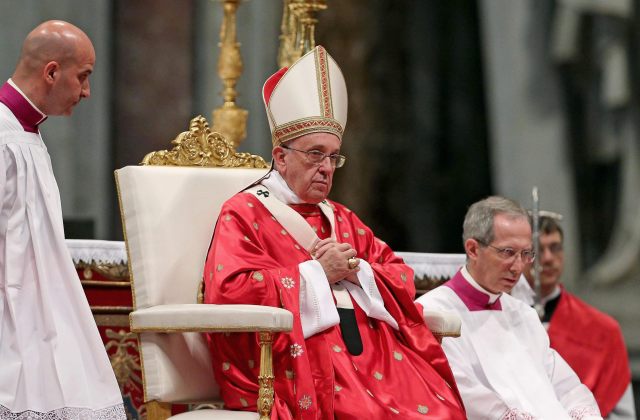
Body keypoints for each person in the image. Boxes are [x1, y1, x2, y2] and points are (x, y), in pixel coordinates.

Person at [203, 46, 466, 419]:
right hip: (299, 361)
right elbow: (228, 292)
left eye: (333, 156)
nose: (327, 168)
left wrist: (357, 270)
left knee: (441, 410)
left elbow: (400, 276)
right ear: (281, 157)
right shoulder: (244, 213)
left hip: (374, 361)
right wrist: (315, 274)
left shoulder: (341, 217)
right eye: (314, 154)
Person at [0, 21, 125, 419]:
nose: (87, 92)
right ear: (52, 72)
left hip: (37, 312)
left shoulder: (28, 135)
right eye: (83, 77)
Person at [416, 196, 602, 420]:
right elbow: (463, 394)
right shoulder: (434, 315)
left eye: (526, 254)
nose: (518, 267)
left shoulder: (523, 313)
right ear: (473, 249)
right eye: (507, 253)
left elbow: (565, 386)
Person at [520, 215, 635, 419]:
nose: (547, 258)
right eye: (536, 250)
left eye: (555, 248)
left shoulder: (603, 330)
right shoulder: (499, 321)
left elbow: (622, 413)